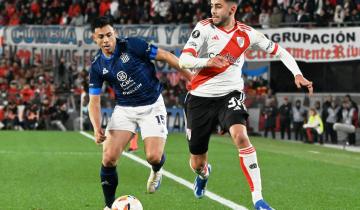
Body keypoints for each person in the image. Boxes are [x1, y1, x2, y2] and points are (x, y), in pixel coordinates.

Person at [178, 0, 313, 209]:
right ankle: (203, 174)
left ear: (232, 9)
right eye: (212, 5)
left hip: (229, 95)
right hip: (199, 98)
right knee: (197, 162)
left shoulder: (248, 34)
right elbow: (183, 60)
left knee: (241, 136)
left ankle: (258, 199)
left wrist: (298, 74)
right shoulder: (203, 28)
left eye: (218, 6)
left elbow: (279, 51)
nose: (213, 10)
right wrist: (207, 61)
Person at [88, 16, 192, 210]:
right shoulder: (97, 66)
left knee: (153, 156)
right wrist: (96, 127)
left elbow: (168, 57)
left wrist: (191, 79)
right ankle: (108, 206)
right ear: (94, 39)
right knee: (108, 157)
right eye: (101, 36)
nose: (106, 40)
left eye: (109, 35)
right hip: (125, 109)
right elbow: (94, 101)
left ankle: (156, 170)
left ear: (115, 34)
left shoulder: (133, 46)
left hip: (152, 106)